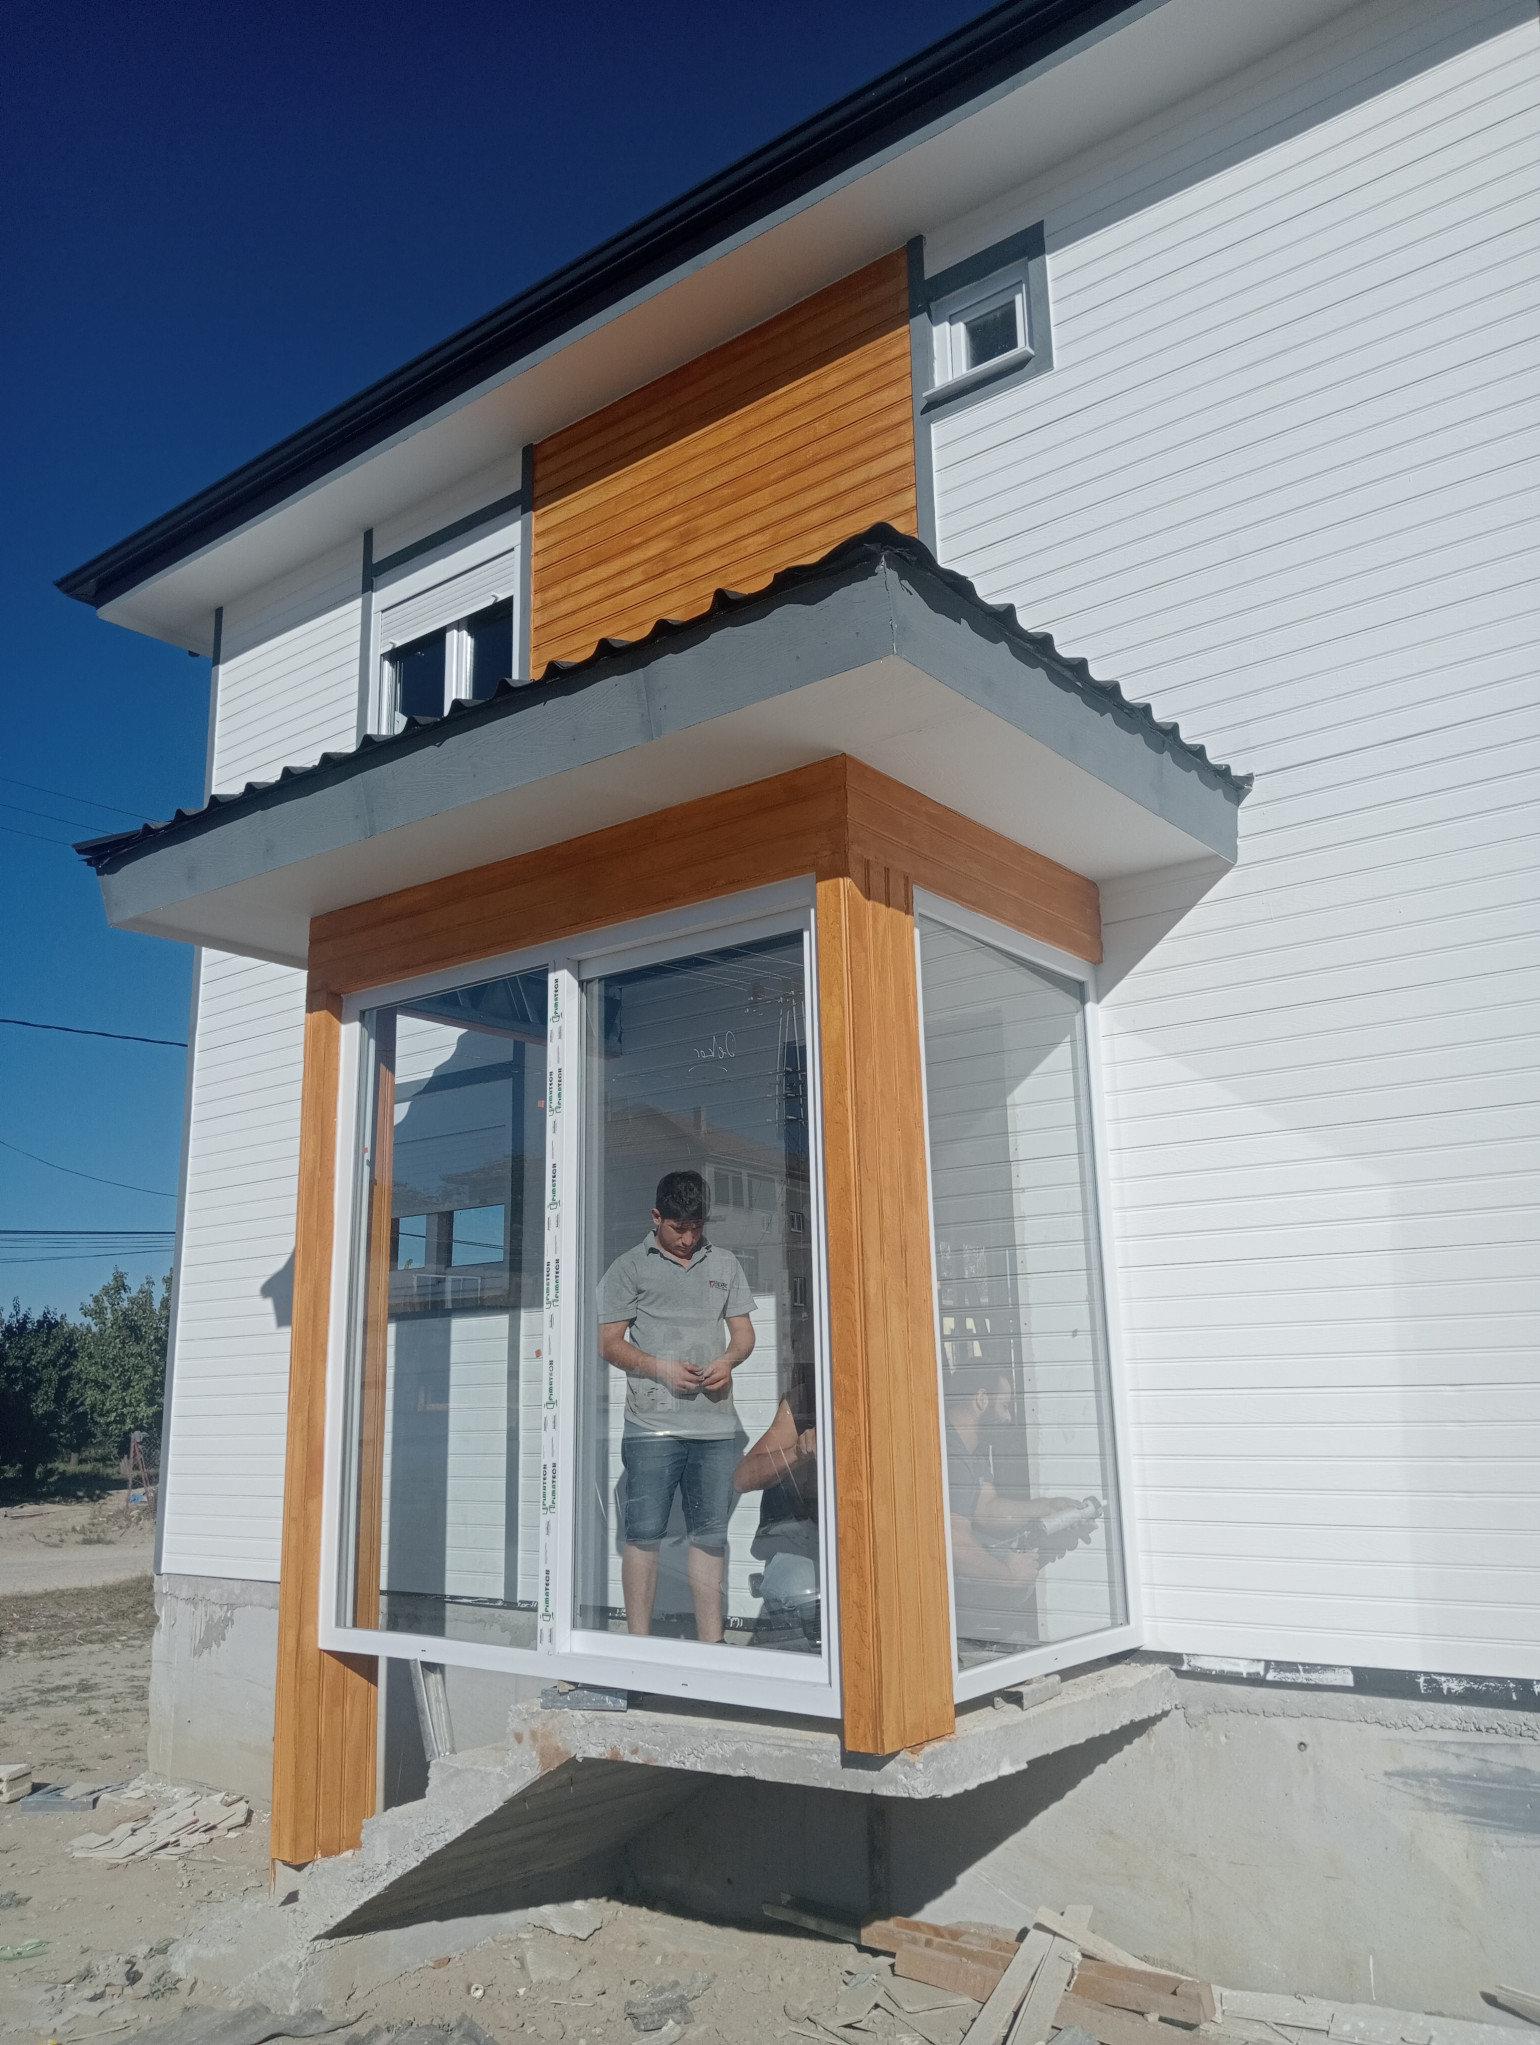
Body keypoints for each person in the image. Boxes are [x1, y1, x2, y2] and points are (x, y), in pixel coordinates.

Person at [596, 1169, 755, 1641]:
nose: (687, 1239)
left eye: (696, 1227)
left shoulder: (725, 1263)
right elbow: (608, 1343)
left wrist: (729, 1360)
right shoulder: (628, 1267)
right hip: (651, 1426)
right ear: (656, 1217)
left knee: (710, 1537)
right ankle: (639, 1648)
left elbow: (744, 1334)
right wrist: (660, 1368)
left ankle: (712, 1645)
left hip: (715, 1428)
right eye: (678, 1228)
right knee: (644, 1536)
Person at [944, 1359, 1086, 1645]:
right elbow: (954, 1541)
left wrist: (1048, 1508)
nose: (1008, 1417)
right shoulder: (947, 1452)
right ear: (982, 1399)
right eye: (1005, 1406)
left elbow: (987, 1509)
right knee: (1015, 1583)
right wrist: (1006, 1575)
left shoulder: (972, 1450)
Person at [733, 1341, 819, 1647]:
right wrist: (798, 1452)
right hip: (803, 1543)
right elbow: (743, 1478)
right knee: (797, 1588)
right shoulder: (805, 1399)